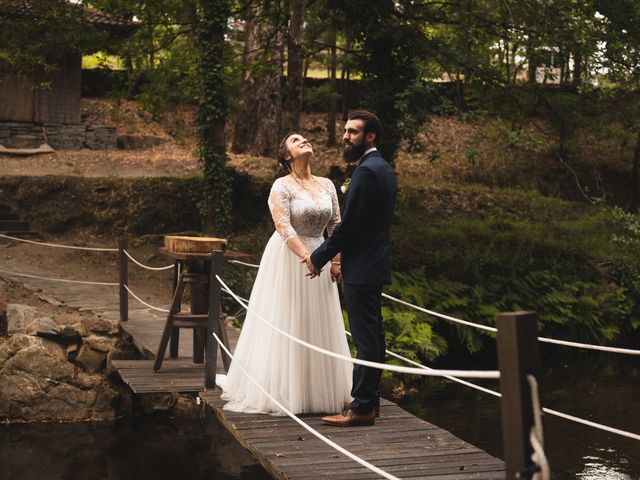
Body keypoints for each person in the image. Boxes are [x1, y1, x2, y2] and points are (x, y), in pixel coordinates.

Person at [220, 133, 352, 415]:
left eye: (305, 138)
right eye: (296, 140)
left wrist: (336, 261)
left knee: (319, 321)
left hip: (322, 254)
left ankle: (321, 389)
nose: (304, 140)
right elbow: (283, 226)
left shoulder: (327, 184)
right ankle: (288, 390)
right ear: (287, 156)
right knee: (290, 317)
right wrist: (308, 257)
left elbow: (337, 226)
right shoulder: (281, 186)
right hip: (290, 257)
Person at [304, 110, 397, 427]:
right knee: (374, 336)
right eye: (345, 131)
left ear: (369, 136)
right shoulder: (383, 168)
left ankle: (362, 408)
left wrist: (320, 256)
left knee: (366, 339)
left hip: (363, 265)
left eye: (353, 132)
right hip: (374, 261)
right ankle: (368, 402)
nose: (345, 136)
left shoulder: (366, 172)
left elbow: (350, 225)